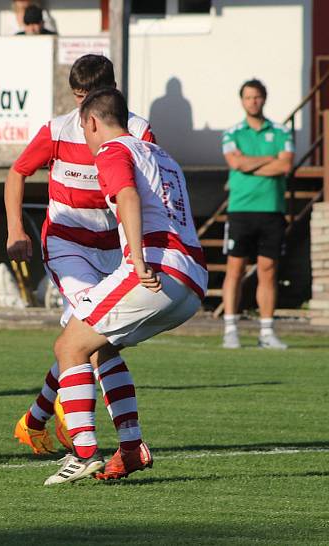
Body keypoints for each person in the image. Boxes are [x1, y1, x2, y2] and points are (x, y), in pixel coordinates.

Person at [44, 87, 207, 485]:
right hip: (193, 279)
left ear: (93, 122)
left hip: (155, 267)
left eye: (83, 128)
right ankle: (131, 450)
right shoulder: (161, 155)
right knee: (100, 347)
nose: (83, 137)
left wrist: (136, 257)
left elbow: (128, 196)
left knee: (69, 345)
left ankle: (83, 454)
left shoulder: (113, 151)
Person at [6, 55, 155, 459]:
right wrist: (15, 229)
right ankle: (86, 437)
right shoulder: (57, 129)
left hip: (113, 248)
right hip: (66, 245)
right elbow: (17, 172)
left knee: (90, 338)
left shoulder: (138, 132)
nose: (83, 107)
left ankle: (36, 420)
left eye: (90, 96)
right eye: (77, 96)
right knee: (97, 339)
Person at [221, 79, 293, 350]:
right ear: (242, 101)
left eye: (257, 97)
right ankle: (230, 329)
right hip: (240, 209)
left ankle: (266, 332)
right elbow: (235, 162)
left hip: (272, 209)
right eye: (248, 97)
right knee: (235, 269)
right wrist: (269, 160)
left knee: (268, 270)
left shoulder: (281, 131)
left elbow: (285, 165)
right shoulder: (232, 133)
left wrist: (251, 164)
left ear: (264, 99)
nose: (253, 101)